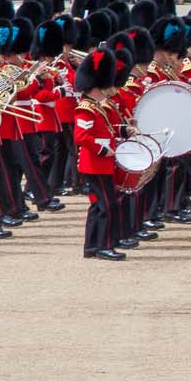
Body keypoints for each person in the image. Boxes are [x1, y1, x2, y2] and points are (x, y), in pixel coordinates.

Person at [72, 45, 124, 260]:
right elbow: (81, 137)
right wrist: (103, 149)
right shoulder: (86, 108)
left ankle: (91, 246)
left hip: (100, 162)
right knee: (107, 205)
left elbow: (105, 130)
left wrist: (124, 130)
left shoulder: (97, 106)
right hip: (95, 162)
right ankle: (104, 245)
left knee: (97, 205)